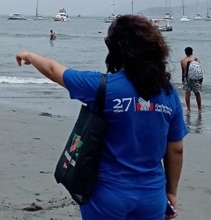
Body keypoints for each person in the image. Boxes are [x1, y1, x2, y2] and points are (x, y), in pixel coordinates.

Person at [15, 15, 186, 220]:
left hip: (107, 193)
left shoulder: (103, 87)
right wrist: (172, 192)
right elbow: (176, 149)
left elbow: (54, 70)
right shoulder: (168, 93)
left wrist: (29, 56)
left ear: (116, 49)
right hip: (152, 196)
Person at [180, 47, 202, 112]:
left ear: (185, 52)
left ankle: (188, 109)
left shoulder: (182, 61)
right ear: (192, 52)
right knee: (197, 93)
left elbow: (183, 71)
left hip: (187, 78)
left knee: (187, 93)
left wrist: (183, 80)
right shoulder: (196, 60)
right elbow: (199, 71)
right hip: (195, 79)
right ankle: (199, 109)